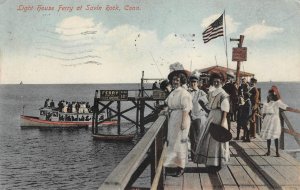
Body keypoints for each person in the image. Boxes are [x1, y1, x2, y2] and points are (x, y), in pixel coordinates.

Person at [194, 72, 230, 170]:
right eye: (214, 81)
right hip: (212, 116)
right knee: (209, 139)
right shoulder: (211, 93)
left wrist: (222, 123)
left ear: (222, 82)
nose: (216, 83)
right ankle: (211, 162)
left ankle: (218, 164)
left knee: (218, 139)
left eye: (218, 81)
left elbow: (225, 110)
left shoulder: (223, 94)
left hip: (220, 116)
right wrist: (208, 111)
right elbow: (201, 101)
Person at [163, 70, 192, 177]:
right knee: (172, 142)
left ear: (181, 81)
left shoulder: (184, 93)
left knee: (181, 143)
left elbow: (186, 108)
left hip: (181, 118)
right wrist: (165, 110)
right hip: (173, 119)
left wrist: (184, 122)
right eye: (174, 80)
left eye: (177, 80)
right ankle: (172, 165)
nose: (175, 82)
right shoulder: (173, 92)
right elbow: (168, 104)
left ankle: (181, 167)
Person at [260, 86, 300, 157]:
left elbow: (286, 107)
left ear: (274, 96)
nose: (270, 97)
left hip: (275, 120)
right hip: (267, 119)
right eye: (269, 95)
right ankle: (268, 151)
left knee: (275, 136)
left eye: (271, 95)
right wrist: (263, 119)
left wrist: (296, 110)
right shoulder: (266, 103)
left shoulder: (277, 103)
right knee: (268, 136)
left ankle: (277, 152)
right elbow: (263, 113)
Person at [188, 74, 208, 160]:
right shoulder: (187, 92)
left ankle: (197, 155)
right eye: (192, 82)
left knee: (197, 136)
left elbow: (207, 104)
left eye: (195, 82)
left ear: (197, 83)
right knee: (191, 137)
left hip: (198, 116)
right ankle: (193, 155)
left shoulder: (202, 93)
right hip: (189, 116)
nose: (193, 84)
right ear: (189, 83)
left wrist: (203, 112)